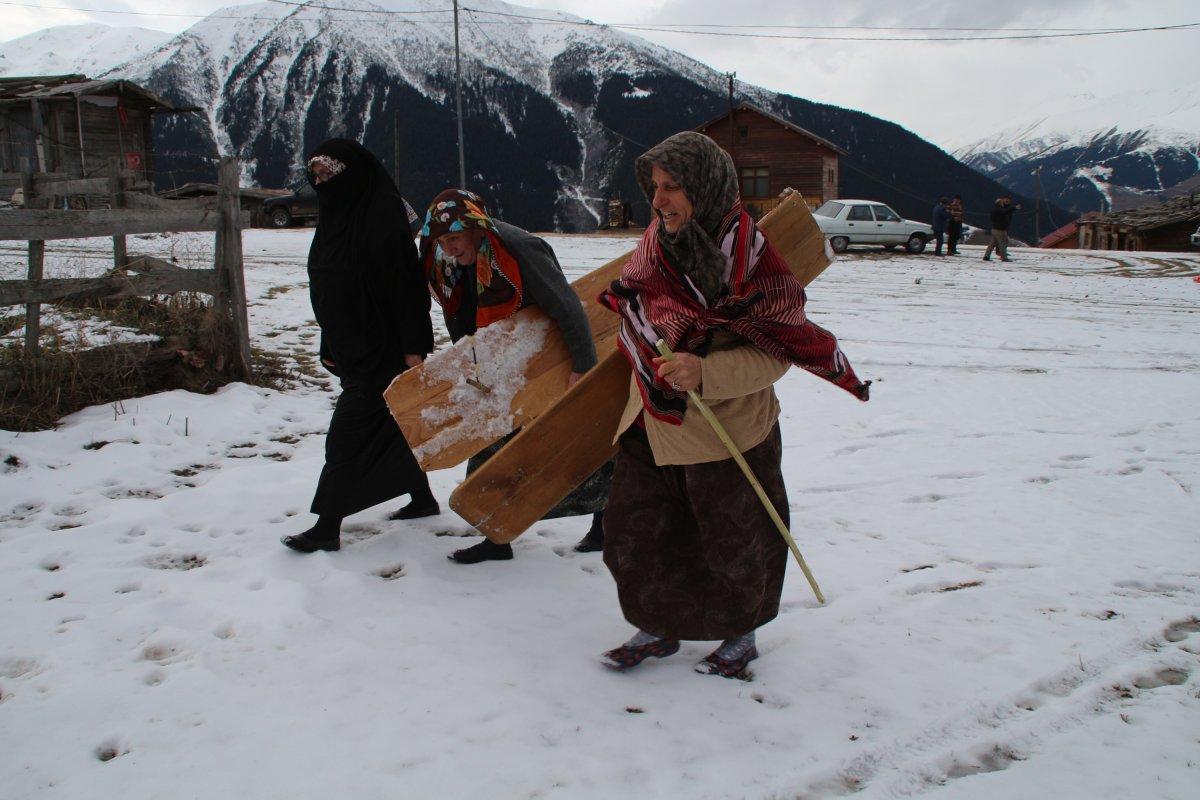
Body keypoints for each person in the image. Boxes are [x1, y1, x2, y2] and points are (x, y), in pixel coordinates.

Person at [597, 132, 870, 678]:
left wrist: (707, 369)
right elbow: (636, 309)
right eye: (656, 187)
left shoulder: (751, 262)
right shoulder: (655, 244)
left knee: (734, 542)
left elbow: (778, 353)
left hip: (726, 430)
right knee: (636, 532)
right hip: (653, 418)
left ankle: (740, 635)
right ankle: (659, 625)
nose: (660, 200)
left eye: (673, 187)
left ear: (705, 186)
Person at [419, 188, 609, 563]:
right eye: (442, 241)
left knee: (571, 448)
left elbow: (567, 307)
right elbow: (463, 319)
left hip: (546, 363)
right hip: (499, 370)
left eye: (454, 238)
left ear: (476, 227)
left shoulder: (519, 249)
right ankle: (496, 538)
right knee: (490, 450)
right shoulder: (453, 264)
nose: (450, 248)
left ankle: (605, 522)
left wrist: (583, 368)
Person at [281, 139, 438, 554]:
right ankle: (422, 498)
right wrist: (330, 342)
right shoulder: (338, 214)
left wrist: (413, 348)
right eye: (315, 177)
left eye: (328, 175)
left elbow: (405, 287)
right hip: (351, 347)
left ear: (353, 174)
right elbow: (330, 288)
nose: (321, 184)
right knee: (391, 425)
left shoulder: (380, 214)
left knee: (347, 436)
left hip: (383, 348)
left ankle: (327, 525)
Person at [983, 195, 1021, 262]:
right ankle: (1004, 258)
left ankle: (986, 256)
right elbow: (1005, 212)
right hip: (1000, 229)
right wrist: (1014, 208)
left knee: (992, 244)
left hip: (995, 229)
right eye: (1002, 202)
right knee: (1002, 243)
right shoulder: (999, 210)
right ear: (1000, 203)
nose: (1003, 202)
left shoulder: (994, 209)